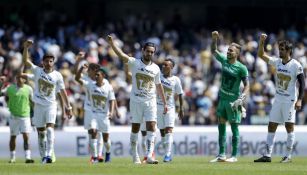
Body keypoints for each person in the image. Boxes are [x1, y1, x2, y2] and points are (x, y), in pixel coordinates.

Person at [107, 35, 167, 164]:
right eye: (148, 51)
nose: (149, 54)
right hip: (136, 101)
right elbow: (121, 55)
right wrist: (112, 44)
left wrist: (165, 102)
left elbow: (158, 85)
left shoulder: (156, 68)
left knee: (152, 126)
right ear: (143, 51)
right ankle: (135, 155)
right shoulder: (135, 63)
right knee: (136, 127)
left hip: (150, 101)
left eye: (152, 52)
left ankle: (149, 155)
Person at [254, 34, 305, 163]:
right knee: (271, 126)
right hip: (278, 100)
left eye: (282, 49)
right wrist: (261, 42)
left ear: (289, 51)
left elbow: (302, 84)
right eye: (279, 49)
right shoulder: (277, 62)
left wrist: (299, 100)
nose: (279, 51)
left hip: (289, 101)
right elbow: (261, 55)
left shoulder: (296, 65)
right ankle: (267, 155)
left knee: (289, 127)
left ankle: (288, 156)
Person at [22, 40, 73, 163]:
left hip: (51, 105)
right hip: (38, 105)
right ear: (42, 62)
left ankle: (49, 155)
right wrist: (25, 48)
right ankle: (43, 155)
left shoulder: (58, 75)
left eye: (51, 61)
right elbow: (25, 61)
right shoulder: (37, 71)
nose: (49, 63)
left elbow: (62, 92)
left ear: (53, 62)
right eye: (46, 61)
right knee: (41, 133)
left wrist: (68, 107)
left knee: (50, 129)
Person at [210, 31, 250, 163]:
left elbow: (247, 85)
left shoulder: (242, 68)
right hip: (222, 99)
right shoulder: (224, 61)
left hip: (233, 102)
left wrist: (242, 98)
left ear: (237, 54)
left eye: (231, 51)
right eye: (228, 50)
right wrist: (214, 39)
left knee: (234, 128)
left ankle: (233, 156)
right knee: (221, 125)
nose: (228, 52)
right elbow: (213, 50)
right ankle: (221, 154)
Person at [0, 72, 34, 163]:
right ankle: (12, 158)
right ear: (15, 78)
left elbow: (32, 102)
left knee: (26, 136)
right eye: (18, 77)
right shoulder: (10, 88)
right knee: (13, 137)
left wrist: (34, 114)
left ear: (25, 79)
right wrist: (1, 83)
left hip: (25, 116)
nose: (19, 79)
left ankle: (28, 157)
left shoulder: (29, 89)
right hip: (13, 116)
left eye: (22, 77)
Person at [157, 58, 184, 162]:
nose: (163, 67)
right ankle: (167, 153)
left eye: (166, 65)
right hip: (158, 107)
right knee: (162, 132)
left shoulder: (176, 80)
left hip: (170, 108)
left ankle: (167, 154)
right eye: (162, 65)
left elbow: (180, 93)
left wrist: (181, 108)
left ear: (171, 67)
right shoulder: (158, 77)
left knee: (169, 130)